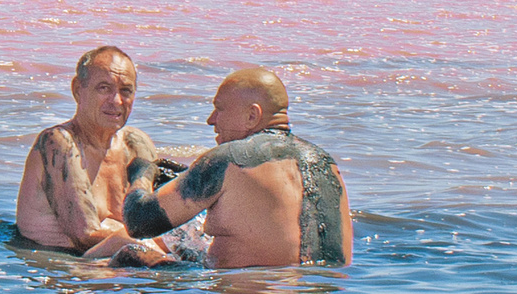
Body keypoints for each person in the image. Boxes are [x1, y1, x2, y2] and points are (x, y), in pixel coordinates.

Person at [121, 66, 352, 267]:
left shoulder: (227, 158)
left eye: (219, 109)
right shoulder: (325, 163)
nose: (211, 120)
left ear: (252, 115)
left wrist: (142, 174)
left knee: (131, 254)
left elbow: (138, 221)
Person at [14, 45, 179, 265]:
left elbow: (152, 221)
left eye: (126, 91)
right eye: (104, 88)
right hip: (63, 266)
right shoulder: (59, 143)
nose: (117, 101)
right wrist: (167, 252)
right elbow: (85, 236)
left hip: (118, 262)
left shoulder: (137, 144)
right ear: (77, 90)